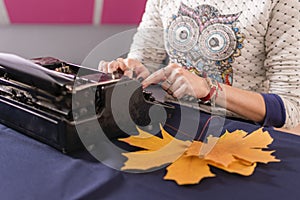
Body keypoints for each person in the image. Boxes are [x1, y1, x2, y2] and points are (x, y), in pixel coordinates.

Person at [99, 0, 300, 130]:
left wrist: (209, 89)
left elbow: (289, 109)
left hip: (243, 132)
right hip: (174, 122)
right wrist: (134, 70)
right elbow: (145, 59)